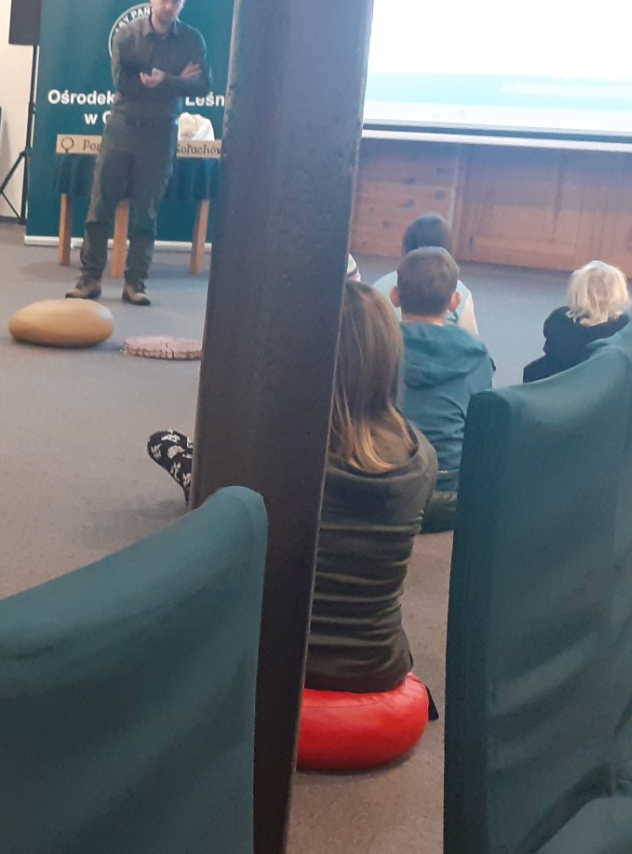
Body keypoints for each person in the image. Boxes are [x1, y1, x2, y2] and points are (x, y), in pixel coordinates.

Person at [148, 281, 436, 693]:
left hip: (270, 663)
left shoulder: (269, 453)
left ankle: (194, 472)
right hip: (376, 665)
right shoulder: (421, 456)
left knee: (182, 463)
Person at [68, 0, 211, 307]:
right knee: (100, 205)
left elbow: (204, 86)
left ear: (183, 3)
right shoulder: (128, 35)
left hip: (161, 131)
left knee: (147, 211)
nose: (169, 6)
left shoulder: (192, 39)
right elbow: (124, 84)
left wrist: (164, 79)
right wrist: (177, 79)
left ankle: (135, 284)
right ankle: (89, 279)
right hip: (122, 126)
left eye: (176, 1)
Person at [392, 247, 492, 533]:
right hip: (451, 493)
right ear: (454, 301)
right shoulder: (477, 355)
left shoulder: (378, 344)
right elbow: (480, 426)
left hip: (388, 487)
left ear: (395, 296)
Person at [523, 260, 632, 383]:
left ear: (577, 290)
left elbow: (552, 349)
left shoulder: (560, 318)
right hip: (602, 383)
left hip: (557, 381)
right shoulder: (624, 325)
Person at [372, 213, 480, 336]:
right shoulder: (459, 290)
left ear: (405, 248)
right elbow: (470, 338)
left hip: (388, 347)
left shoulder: (379, 287)